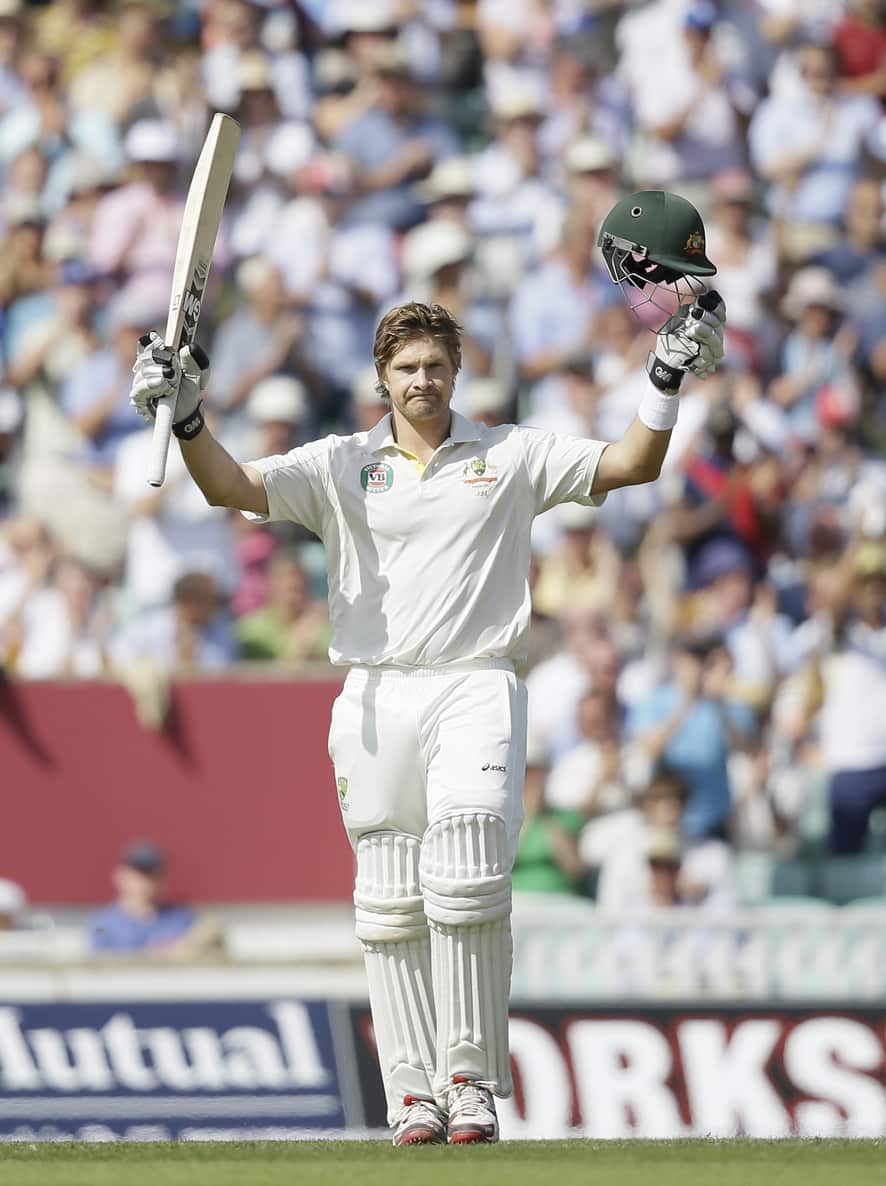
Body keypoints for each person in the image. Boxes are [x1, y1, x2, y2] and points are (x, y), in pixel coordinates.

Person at [128, 191, 725, 1147]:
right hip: (374, 690)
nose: (422, 382)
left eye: (436, 366)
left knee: (471, 859)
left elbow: (630, 466)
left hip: (477, 680)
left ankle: (471, 1081)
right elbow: (234, 488)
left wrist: (664, 377)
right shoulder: (338, 466)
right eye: (406, 368)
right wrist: (188, 413)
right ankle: (410, 1090)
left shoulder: (509, 454)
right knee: (390, 897)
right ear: (381, 378)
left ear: (457, 372)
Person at [86, 841, 210, 955]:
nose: (145, 883)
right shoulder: (102, 925)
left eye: (152, 876)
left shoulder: (182, 920)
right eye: (138, 875)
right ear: (120, 876)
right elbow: (100, 962)